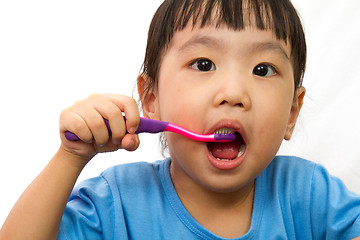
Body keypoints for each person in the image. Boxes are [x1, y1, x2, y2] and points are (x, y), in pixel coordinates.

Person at [1, 0, 360, 239]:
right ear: (152, 99)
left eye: (262, 69)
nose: (234, 92)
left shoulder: (311, 196)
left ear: (291, 114)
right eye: (203, 64)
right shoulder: (117, 203)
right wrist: (70, 157)